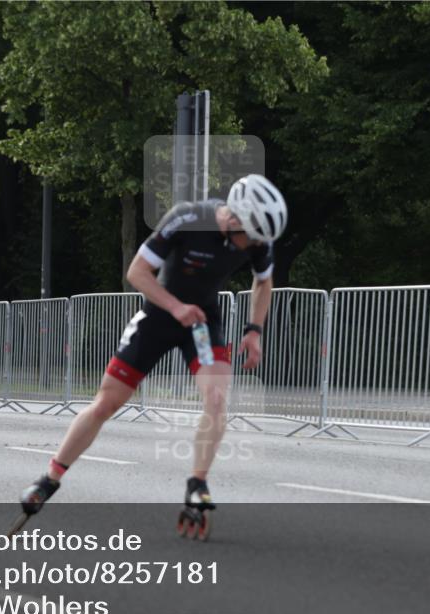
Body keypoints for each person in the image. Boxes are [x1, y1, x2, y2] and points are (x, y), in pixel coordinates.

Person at [17, 174, 287, 522]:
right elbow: (138, 272)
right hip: (159, 316)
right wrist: (175, 307)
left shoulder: (258, 236)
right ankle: (49, 479)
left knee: (217, 397)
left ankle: (197, 483)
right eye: (249, 238)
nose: (254, 245)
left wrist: (254, 330)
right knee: (107, 402)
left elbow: (264, 281)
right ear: (234, 217)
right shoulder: (187, 218)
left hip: (201, 322)